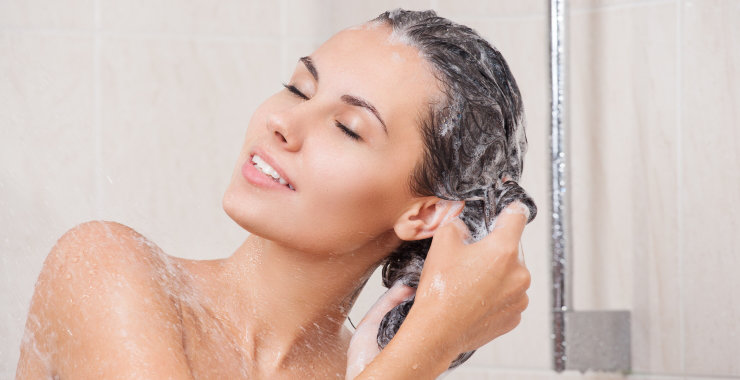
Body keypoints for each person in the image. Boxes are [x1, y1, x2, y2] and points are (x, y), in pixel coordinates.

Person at [16, 9, 537, 379]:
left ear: (424, 214)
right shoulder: (105, 269)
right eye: (297, 89)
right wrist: (428, 345)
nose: (283, 121)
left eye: (348, 127)